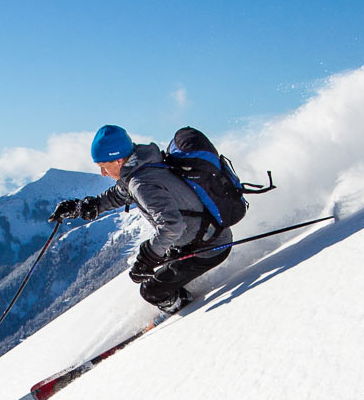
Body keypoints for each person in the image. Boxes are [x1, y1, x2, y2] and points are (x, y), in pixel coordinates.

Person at [51, 124, 232, 315]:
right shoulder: (143, 165)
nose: (103, 173)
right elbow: (119, 195)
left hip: (208, 248)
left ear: (119, 161)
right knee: (157, 276)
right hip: (202, 237)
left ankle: (185, 312)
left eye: (104, 166)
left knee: (151, 291)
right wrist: (84, 207)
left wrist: (149, 256)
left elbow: (172, 225)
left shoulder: (142, 183)